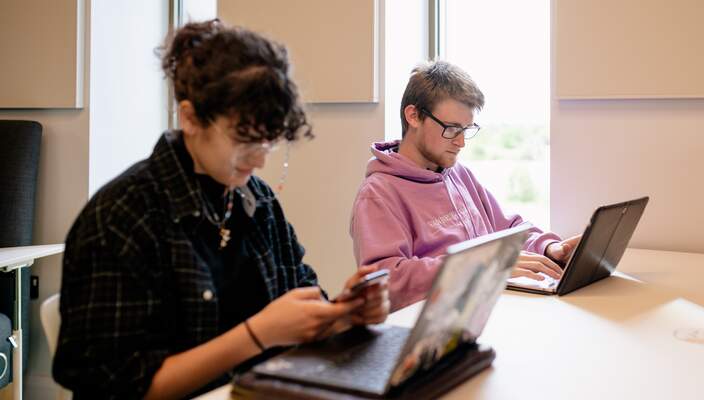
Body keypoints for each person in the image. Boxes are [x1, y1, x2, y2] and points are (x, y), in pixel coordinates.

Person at [53, 20, 389, 399]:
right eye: (245, 141)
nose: (260, 161)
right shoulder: (123, 216)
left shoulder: (256, 200)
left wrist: (343, 314)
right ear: (190, 118)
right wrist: (257, 335)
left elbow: (301, 297)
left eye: (268, 142)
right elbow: (116, 386)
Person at [350, 61, 579, 310]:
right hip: (432, 324)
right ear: (413, 116)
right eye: (451, 129)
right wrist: (478, 266)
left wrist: (550, 248)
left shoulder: (458, 174)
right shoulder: (379, 194)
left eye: (466, 129)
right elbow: (385, 281)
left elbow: (507, 230)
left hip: (484, 308)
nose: (461, 142)